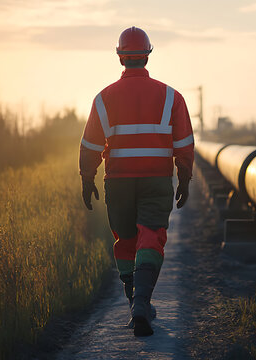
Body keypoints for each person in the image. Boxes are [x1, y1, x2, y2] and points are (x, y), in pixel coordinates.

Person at [79, 26, 194, 337]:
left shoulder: (103, 99)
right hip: (156, 180)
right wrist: (184, 178)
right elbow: (183, 144)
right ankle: (141, 304)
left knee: (126, 241)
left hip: (117, 182)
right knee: (151, 237)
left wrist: (87, 177)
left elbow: (90, 144)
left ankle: (134, 302)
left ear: (120, 58)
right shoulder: (172, 97)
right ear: (147, 56)